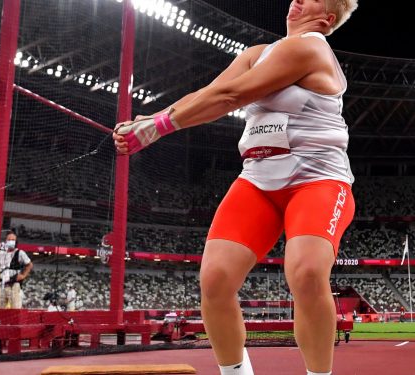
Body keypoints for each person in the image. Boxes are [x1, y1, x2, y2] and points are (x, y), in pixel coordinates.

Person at [113, 1, 358, 374]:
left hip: (317, 179)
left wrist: (158, 128)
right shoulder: (256, 54)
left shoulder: (310, 47)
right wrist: (151, 118)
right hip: (258, 179)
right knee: (215, 279)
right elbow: (209, 93)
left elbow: (232, 98)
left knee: (307, 273)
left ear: (326, 18)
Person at [0, 231, 32, 309]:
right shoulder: (0, 254)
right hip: (1, 283)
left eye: (13, 240)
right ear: (5, 241)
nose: (11, 241)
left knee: (15, 307)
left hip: (14, 284)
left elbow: (29, 264)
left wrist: (23, 275)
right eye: (9, 239)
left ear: (16, 242)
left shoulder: (20, 253)